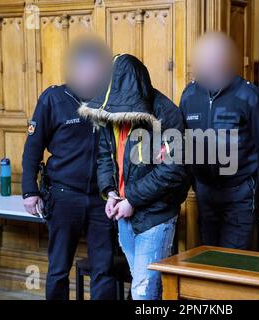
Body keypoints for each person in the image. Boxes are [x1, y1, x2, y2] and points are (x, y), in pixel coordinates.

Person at [78, 54, 188, 300]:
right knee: (143, 288)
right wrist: (110, 193)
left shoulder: (166, 113)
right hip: (124, 215)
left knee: (143, 291)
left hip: (155, 217)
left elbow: (174, 170)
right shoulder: (111, 112)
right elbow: (105, 156)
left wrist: (133, 200)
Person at [21, 37, 116, 300]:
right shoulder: (53, 98)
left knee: (103, 268)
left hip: (102, 199)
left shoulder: (108, 99)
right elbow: (32, 148)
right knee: (59, 268)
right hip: (64, 196)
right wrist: (29, 191)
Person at [179, 32, 259, 250]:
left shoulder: (247, 94)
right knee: (207, 257)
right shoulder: (189, 95)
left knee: (233, 261)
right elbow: (183, 143)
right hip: (205, 193)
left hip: (240, 194)